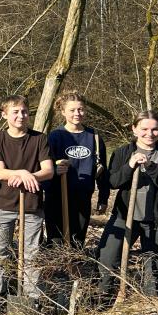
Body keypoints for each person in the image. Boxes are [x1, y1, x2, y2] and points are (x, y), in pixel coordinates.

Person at [97, 110, 158, 296]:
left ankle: (150, 304)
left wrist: (150, 166)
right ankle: (102, 300)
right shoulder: (123, 152)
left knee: (153, 267)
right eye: (144, 129)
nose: (149, 134)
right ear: (134, 129)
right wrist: (130, 165)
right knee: (107, 258)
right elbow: (113, 182)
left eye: (155, 129)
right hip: (125, 216)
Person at [0, 95, 54, 302]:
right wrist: (25, 173)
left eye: (24, 111)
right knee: (0, 252)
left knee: (31, 254)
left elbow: (49, 170)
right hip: (2, 203)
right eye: (15, 112)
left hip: (32, 205)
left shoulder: (39, 139)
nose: (20, 116)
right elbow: (1, 173)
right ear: (5, 114)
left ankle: (30, 297)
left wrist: (28, 175)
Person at [45, 90, 110, 248]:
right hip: (57, 196)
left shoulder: (94, 137)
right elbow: (44, 166)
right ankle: (55, 271)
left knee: (77, 240)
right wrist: (55, 169)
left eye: (80, 109)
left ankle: (73, 270)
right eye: (72, 110)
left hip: (82, 196)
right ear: (63, 111)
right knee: (56, 241)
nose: (77, 113)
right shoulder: (55, 136)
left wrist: (103, 198)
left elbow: (102, 170)